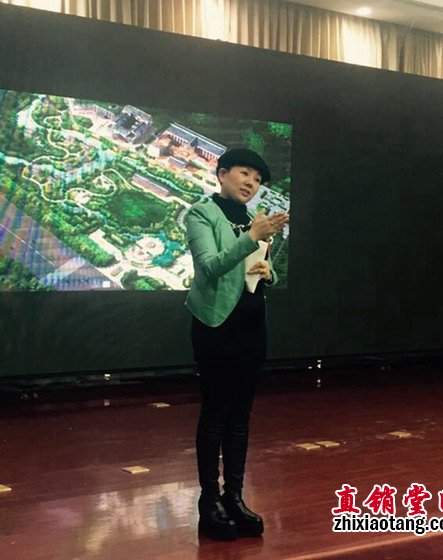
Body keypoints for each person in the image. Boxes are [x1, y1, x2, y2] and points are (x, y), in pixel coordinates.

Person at [185, 148, 289, 540]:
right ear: (222, 173)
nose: (251, 183)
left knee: (241, 415)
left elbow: (260, 266)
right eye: (245, 173)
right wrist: (252, 238)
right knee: (216, 411)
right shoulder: (201, 214)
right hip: (216, 326)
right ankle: (209, 501)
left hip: (251, 327)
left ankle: (234, 497)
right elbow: (209, 267)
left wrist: (269, 272)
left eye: (257, 180)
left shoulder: (251, 219)